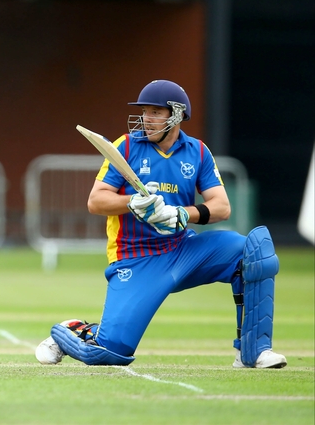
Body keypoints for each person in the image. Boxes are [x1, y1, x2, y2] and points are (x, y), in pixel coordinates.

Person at [35, 79, 287, 369]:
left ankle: (253, 350)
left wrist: (183, 213)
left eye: (156, 112)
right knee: (109, 353)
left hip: (183, 250)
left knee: (253, 251)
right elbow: (96, 201)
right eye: (145, 111)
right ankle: (74, 330)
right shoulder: (127, 146)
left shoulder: (198, 151)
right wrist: (131, 202)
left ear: (177, 114)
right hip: (137, 259)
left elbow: (222, 206)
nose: (147, 118)